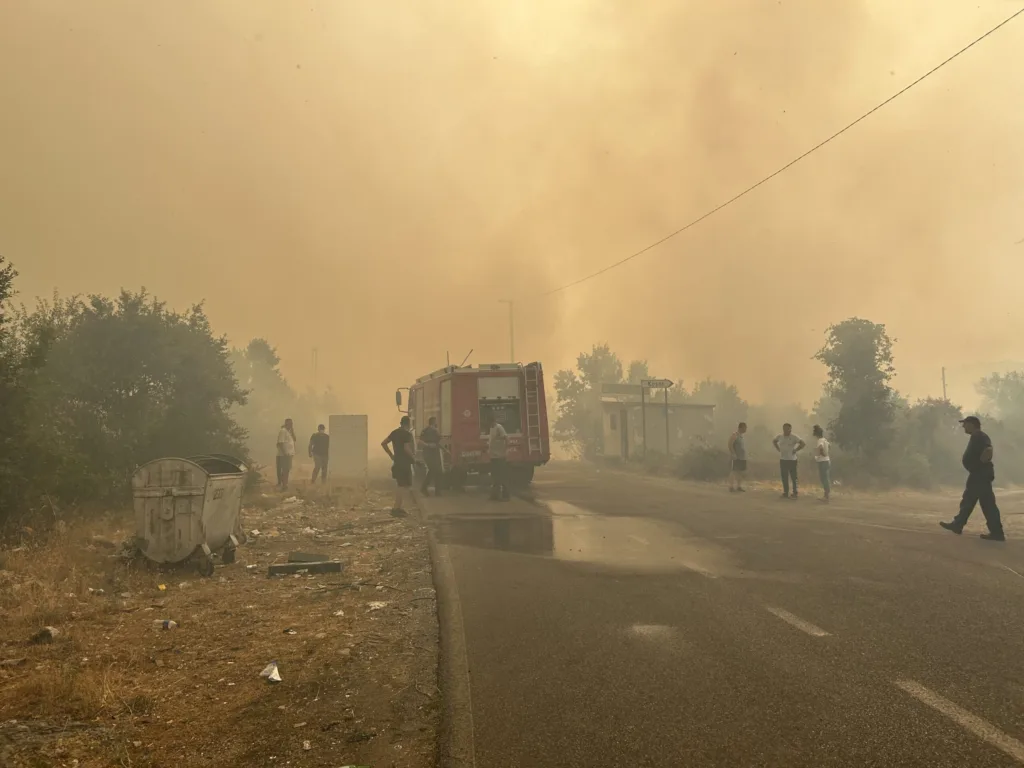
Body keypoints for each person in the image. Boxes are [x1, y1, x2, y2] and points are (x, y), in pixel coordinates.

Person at [940, 416, 1005, 541]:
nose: (963, 426)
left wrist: (982, 461)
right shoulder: (977, 436)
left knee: (976, 501)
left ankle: (958, 525)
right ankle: (994, 532)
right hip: (979, 474)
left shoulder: (979, 436)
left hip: (980, 474)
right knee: (980, 502)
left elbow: (989, 449)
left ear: (972, 424)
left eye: (965, 424)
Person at [382, 416, 416, 515]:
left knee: (402, 485)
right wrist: (414, 458)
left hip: (397, 462)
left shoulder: (394, 432)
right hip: (404, 463)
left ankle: (398, 507)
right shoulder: (407, 434)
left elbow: (383, 443)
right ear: (408, 424)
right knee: (403, 486)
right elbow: (406, 448)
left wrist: (391, 455)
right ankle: (396, 509)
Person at [772, 423, 806, 499]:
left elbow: (803, 443)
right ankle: (785, 492)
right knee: (784, 477)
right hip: (783, 459)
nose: (786, 430)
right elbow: (774, 441)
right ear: (783, 429)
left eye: (788, 429)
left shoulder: (794, 437)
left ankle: (795, 493)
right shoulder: (780, 436)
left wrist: (796, 450)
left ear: (790, 429)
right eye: (785, 429)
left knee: (794, 477)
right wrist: (778, 448)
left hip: (792, 460)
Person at [485, 413, 510, 501]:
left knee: (502, 476)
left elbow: (506, 439)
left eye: (489, 422)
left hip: (500, 456)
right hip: (494, 456)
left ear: (492, 421)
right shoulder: (491, 428)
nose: (488, 424)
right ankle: (495, 495)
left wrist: (505, 451)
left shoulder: (499, 427)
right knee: (495, 477)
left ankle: (505, 495)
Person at [419, 416, 443, 496]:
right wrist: (428, 445)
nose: (437, 423)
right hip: (428, 453)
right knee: (433, 470)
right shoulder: (425, 431)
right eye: (436, 421)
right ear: (433, 422)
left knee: (438, 471)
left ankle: (437, 491)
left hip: (435, 453)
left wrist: (445, 450)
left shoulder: (436, 431)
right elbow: (420, 442)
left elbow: (438, 442)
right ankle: (424, 488)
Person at [276, 418, 296, 490]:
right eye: (289, 423)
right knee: (285, 469)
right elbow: (280, 443)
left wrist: (292, 432)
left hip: (289, 454)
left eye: (292, 424)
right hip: (284, 454)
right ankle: (284, 485)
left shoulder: (289, 432)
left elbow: (295, 439)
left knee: (287, 469)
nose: (291, 425)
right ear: (286, 423)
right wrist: (285, 453)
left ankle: (284, 483)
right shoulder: (283, 431)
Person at [727, 422, 748, 492]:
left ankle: (739, 486)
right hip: (737, 457)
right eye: (745, 427)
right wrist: (733, 454)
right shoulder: (735, 435)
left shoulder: (741, 436)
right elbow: (730, 444)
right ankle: (731, 486)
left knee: (740, 472)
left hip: (742, 457)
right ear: (741, 428)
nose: (746, 429)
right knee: (734, 471)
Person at [812, 425, 831, 501]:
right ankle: (826, 494)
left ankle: (826, 496)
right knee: (825, 478)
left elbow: (820, 447)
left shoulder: (820, 440)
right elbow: (829, 446)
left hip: (823, 461)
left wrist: (821, 454)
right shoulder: (825, 440)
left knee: (824, 478)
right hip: (826, 460)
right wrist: (826, 453)